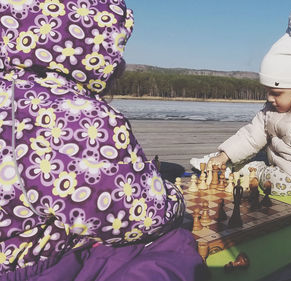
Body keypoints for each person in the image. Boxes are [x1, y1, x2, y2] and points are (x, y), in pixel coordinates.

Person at [0, 0, 203, 279]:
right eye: (116, 50)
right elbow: (142, 214)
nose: (120, 64)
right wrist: (173, 196)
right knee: (174, 245)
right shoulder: (79, 118)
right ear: (90, 46)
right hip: (36, 267)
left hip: (12, 250)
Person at [191, 12, 291, 210]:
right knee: (246, 158)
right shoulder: (271, 110)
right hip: (276, 163)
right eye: (267, 92)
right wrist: (225, 155)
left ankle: (240, 171)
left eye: (275, 93)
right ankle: (227, 165)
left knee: (268, 180)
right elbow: (251, 136)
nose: (269, 98)